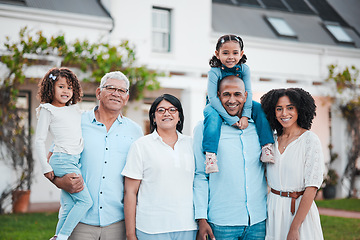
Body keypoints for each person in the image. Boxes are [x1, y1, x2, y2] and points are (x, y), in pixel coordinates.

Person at [50, 71, 143, 240]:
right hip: (79, 222)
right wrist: (60, 182)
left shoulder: (135, 131)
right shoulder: (75, 122)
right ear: (99, 93)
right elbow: (53, 160)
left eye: (122, 91)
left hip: (117, 223)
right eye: (111, 88)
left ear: (126, 98)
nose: (116, 93)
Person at [194, 75, 268, 240]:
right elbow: (200, 175)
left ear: (246, 96)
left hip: (258, 221)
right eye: (226, 94)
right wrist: (201, 219)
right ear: (218, 96)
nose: (232, 100)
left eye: (237, 94)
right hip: (221, 223)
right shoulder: (204, 129)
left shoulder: (259, 129)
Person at [122, 94, 198, 240]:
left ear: (179, 116)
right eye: (161, 110)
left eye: (172, 109)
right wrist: (130, 234)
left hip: (188, 226)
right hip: (150, 228)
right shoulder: (141, 146)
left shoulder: (192, 144)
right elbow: (130, 192)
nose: (167, 113)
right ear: (154, 117)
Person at [35, 67, 93, 240]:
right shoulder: (47, 109)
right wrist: (45, 167)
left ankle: (56, 237)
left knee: (68, 205)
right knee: (85, 201)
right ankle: (63, 237)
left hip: (73, 160)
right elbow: (39, 140)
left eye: (69, 87)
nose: (66, 91)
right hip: (62, 160)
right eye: (61, 86)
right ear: (50, 88)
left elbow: (69, 132)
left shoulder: (74, 109)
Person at [203, 34, 274, 174]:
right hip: (217, 104)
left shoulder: (244, 69)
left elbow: (248, 92)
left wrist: (245, 116)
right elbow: (212, 98)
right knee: (211, 116)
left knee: (259, 108)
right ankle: (210, 156)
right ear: (217, 54)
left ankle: (267, 146)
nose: (230, 57)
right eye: (225, 53)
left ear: (241, 54)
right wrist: (231, 119)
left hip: (240, 103)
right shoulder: (214, 72)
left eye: (235, 53)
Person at [260, 88, 325, 240]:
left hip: (299, 213)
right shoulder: (271, 141)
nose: (284, 113)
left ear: (300, 109)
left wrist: (295, 228)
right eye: (279, 109)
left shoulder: (310, 140)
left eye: (290, 107)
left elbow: (311, 188)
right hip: (273, 210)